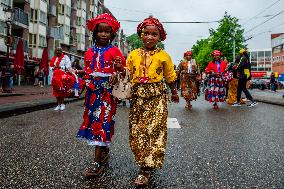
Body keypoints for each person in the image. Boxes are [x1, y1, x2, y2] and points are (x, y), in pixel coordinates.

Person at [127, 16, 179, 187]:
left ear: (160, 36)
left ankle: (146, 168)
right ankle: (143, 159)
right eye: (146, 33)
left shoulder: (164, 55)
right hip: (137, 97)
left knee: (154, 130)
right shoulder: (133, 54)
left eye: (154, 34)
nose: (149, 37)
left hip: (157, 96)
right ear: (141, 35)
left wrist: (174, 92)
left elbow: (170, 76)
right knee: (138, 131)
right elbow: (127, 74)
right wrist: (119, 70)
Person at [76, 13, 126, 177]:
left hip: (107, 94)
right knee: (93, 122)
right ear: (95, 33)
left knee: (103, 122)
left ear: (112, 34)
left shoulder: (115, 51)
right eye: (100, 31)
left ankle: (96, 162)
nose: (104, 34)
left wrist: (118, 69)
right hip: (92, 93)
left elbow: (124, 74)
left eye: (107, 32)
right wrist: (83, 76)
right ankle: (103, 152)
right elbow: (89, 71)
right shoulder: (89, 52)